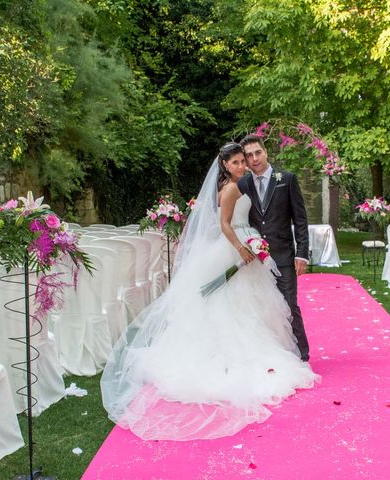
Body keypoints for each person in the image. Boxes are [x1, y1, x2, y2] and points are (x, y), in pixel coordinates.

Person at [100, 142, 318, 441]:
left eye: (246, 159)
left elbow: (281, 216)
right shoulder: (230, 189)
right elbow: (225, 224)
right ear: (226, 165)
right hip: (234, 250)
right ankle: (230, 358)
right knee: (231, 307)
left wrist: (262, 245)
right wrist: (242, 247)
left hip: (255, 249)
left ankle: (287, 351)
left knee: (263, 305)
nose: (244, 165)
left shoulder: (252, 183)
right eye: (238, 161)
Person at [237, 135, 311, 361]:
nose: (254, 158)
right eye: (249, 155)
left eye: (257, 152)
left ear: (265, 151)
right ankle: (273, 353)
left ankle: (302, 354)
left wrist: (302, 254)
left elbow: (300, 219)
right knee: (263, 307)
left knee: (289, 304)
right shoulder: (243, 184)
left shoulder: (286, 179)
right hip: (256, 258)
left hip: (284, 254)